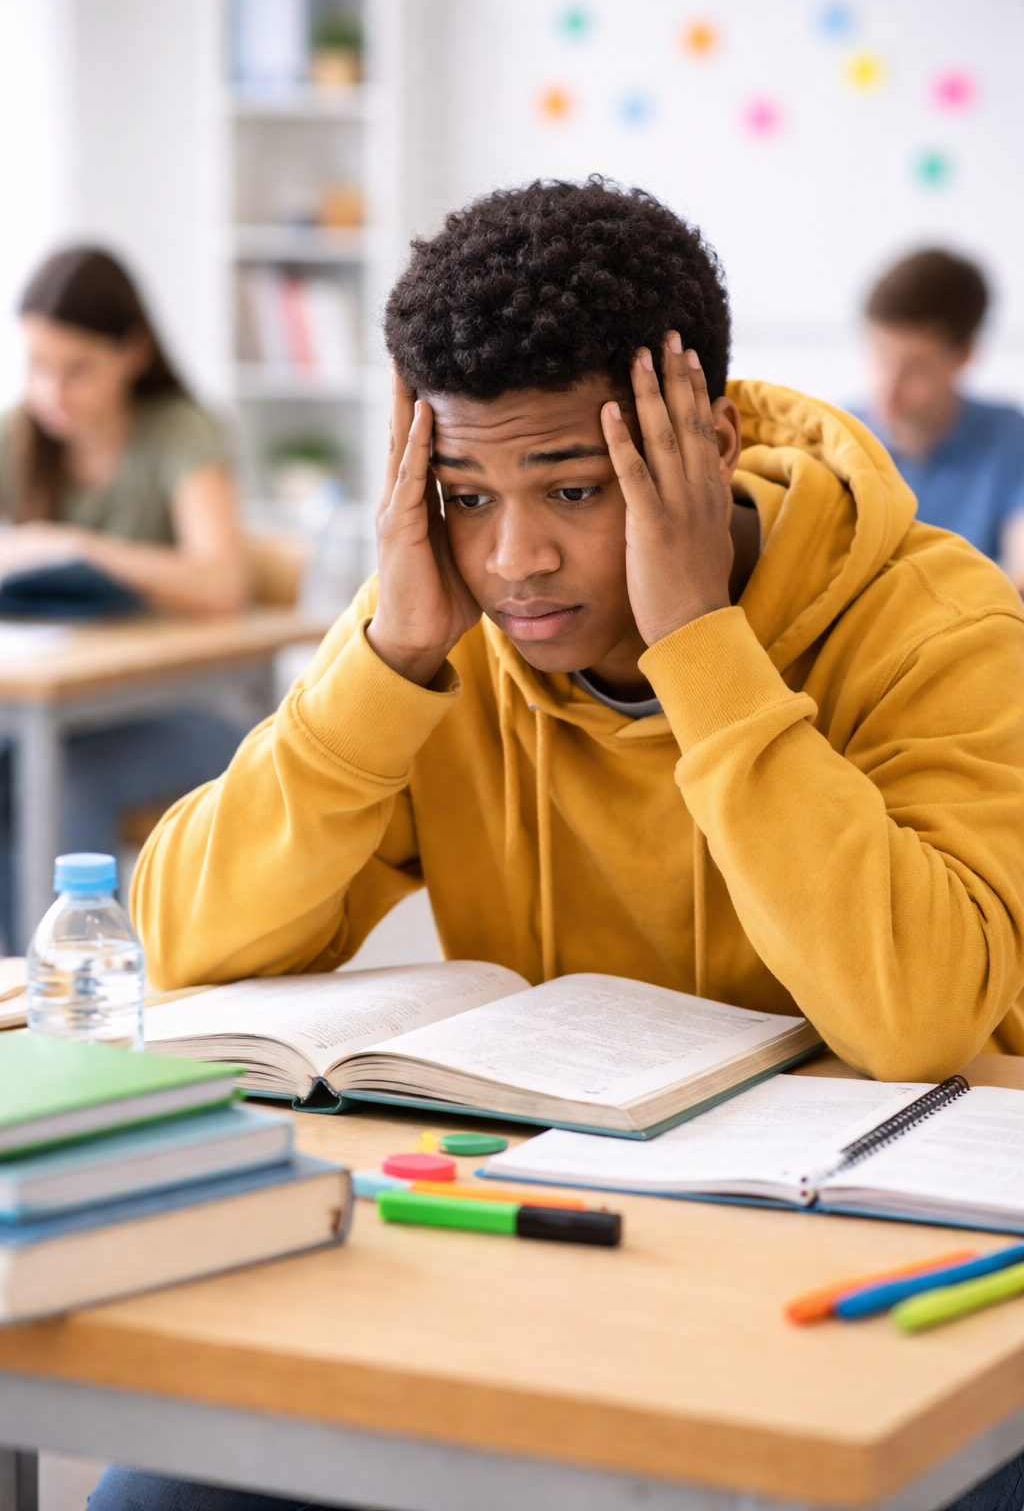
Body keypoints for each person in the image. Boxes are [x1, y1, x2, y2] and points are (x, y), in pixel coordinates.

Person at [124, 179, 1024, 1511]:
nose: (515, 561)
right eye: (467, 494)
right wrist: (385, 661)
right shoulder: (444, 629)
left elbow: (919, 1015)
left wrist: (701, 651)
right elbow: (184, 937)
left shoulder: (939, 627)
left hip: (853, 1273)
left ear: (705, 441)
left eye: (575, 488)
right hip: (552, 1242)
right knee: (164, 1494)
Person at [0, 246, 248, 944]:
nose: (53, 391)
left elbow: (221, 584)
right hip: (59, 708)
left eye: (77, 369)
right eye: (38, 366)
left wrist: (78, 547)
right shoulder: (20, 435)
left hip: (186, 713)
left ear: (132, 352)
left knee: (59, 779)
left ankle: (64, 1003)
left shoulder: (179, 431)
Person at [857, 247, 1024, 581]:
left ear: (963, 356)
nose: (889, 387)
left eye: (914, 367)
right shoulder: (833, 436)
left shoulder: (1008, 437)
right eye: (881, 355)